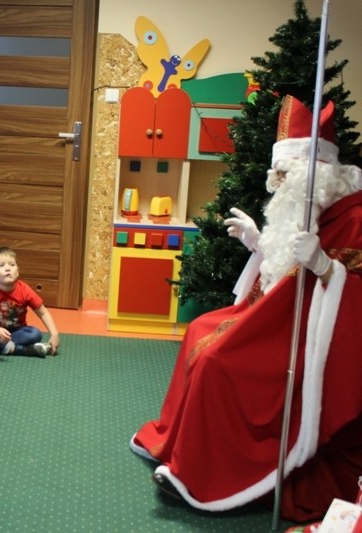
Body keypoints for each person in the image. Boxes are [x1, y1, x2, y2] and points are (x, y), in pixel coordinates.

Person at [130, 95, 362, 522]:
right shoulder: (304, 208)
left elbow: (354, 301)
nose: (276, 180)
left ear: (318, 173)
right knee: (200, 329)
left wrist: (326, 268)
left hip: (308, 343)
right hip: (273, 320)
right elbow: (281, 274)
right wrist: (258, 243)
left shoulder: (353, 219)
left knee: (217, 362)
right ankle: (178, 447)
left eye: (285, 172)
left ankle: (202, 475)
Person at [0, 247, 59, 356]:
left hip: (18, 332)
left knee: (35, 334)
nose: (7, 268)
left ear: (17, 271)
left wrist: (54, 334)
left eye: (12, 265)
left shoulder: (24, 290)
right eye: (1, 265)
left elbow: (43, 313)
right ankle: (21, 350)